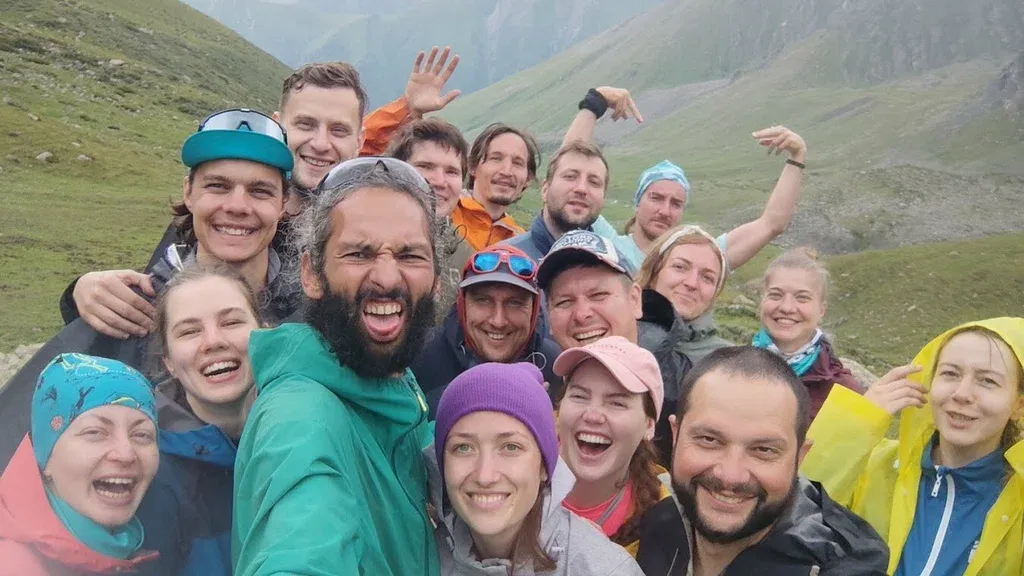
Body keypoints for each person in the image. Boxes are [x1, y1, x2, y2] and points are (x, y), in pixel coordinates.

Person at [61, 46, 463, 339]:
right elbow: (155, 289)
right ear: (278, 126)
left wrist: (409, 110)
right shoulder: (219, 220)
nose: (320, 143)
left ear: (359, 140)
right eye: (305, 125)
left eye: (338, 130)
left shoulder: (369, 221)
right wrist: (81, 291)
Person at [0, 109, 296, 467]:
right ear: (188, 193)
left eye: (260, 191)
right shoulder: (128, 309)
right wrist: (76, 297)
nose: (236, 206)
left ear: (284, 204)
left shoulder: (314, 310)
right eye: (217, 186)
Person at [232, 158, 441, 576]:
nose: (388, 278)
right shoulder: (301, 419)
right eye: (359, 253)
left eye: (410, 255)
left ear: (436, 277)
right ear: (312, 273)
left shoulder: (391, 384)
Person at [636, 346, 890, 575]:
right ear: (676, 435)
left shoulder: (844, 568)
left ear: (800, 457)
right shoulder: (656, 521)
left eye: (764, 450)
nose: (731, 475)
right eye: (709, 440)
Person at [801, 317, 1024, 575]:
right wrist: (856, 424)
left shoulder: (1018, 500)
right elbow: (794, 515)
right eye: (950, 374)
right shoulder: (872, 465)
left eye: (987, 381)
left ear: (1019, 405)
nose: (962, 393)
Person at [426, 361, 645, 575]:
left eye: (511, 447)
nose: (485, 476)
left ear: (544, 466)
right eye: (463, 448)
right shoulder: (422, 559)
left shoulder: (604, 570)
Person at [565, 86, 807, 273]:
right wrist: (595, 102)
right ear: (638, 202)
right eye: (656, 198)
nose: (664, 210)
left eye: (676, 203)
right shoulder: (607, 244)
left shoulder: (696, 263)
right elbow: (566, 174)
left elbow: (771, 224)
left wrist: (797, 157)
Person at [133, 264, 263, 576]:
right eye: (190, 331)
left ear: (265, 333)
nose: (213, 341)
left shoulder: (314, 432)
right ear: (169, 361)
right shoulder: (144, 471)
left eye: (231, 322)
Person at [538, 229, 692, 463]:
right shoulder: (542, 385)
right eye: (564, 302)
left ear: (635, 300)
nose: (582, 314)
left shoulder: (687, 391)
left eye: (598, 295)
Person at [0, 353, 160, 575]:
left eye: (141, 435)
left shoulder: (127, 546)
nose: (126, 454)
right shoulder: (13, 566)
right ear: (45, 455)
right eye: (95, 432)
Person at [554, 336, 671, 557]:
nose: (593, 415)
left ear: (649, 425)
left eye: (617, 403)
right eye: (579, 396)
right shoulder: (513, 471)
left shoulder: (664, 520)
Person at [410, 246, 561, 416]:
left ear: (534, 310)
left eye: (515, 303)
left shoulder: (555, 366)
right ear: (462, 303)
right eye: (483, 300)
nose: (498, 321)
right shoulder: (418, 358)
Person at [752, 247, 864, 419]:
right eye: (776, 295)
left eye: (802, 298)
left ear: (822, 310)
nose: (787, 307)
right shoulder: (732, 369)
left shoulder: (844, 391)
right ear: (762, 301)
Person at [386, 117, 476, 322]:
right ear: (396, 173)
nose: (440, 181)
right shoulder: (362, 240)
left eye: (451, 171)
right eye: (426, 166)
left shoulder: (466, 258)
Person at [637, 224, 734, 366]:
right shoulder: (615, 331)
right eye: (680, 267)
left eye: (707, 278)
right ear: (654, 271)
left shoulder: (726, 361)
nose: (692, 283)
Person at [505, 140, 610, 264]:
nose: (581, 189)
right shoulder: (504, 262)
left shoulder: (615, 269)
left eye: (594, 182)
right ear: (545, 190)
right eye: (570, 177)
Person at [454, 123, 541, 251]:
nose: (507, 171)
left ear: (528, 178)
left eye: (517, 163)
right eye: (496, 159)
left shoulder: (521, 246)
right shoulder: (444, 215)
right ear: (472, 166)